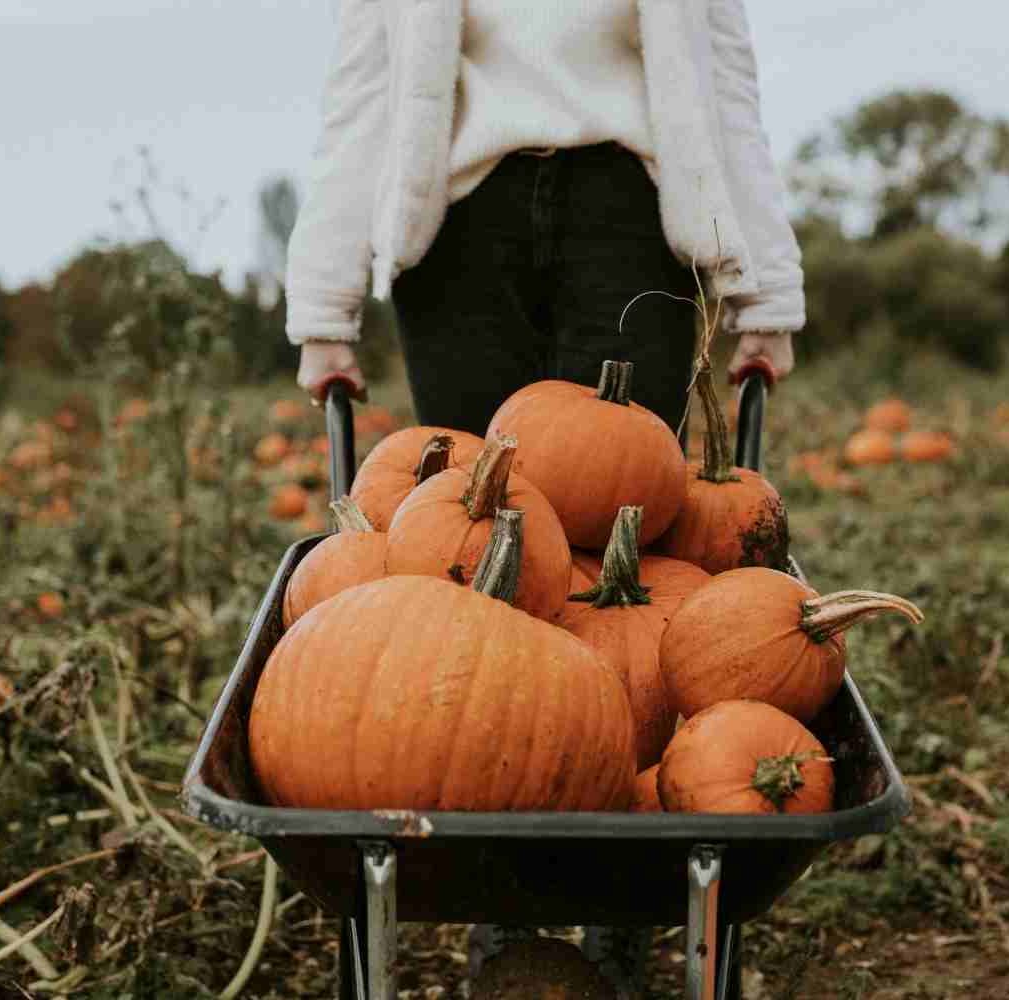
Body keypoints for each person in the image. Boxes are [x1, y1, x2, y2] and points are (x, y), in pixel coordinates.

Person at [286, 0, 803, 994]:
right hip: (455, 227)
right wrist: (324, 303)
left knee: (624, 561)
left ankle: (623, 876)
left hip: (633, 214)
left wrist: (765, 287)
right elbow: (361, 89)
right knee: (476, 563)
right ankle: (504, 890)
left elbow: (724, 80)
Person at [291, 0, 804, 431]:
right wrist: (323, 314)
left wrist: (768, 301)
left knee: (629, 498)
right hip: (458, 231)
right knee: (470, 502)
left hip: (630, 220)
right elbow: (359, 104)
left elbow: (729, 97)